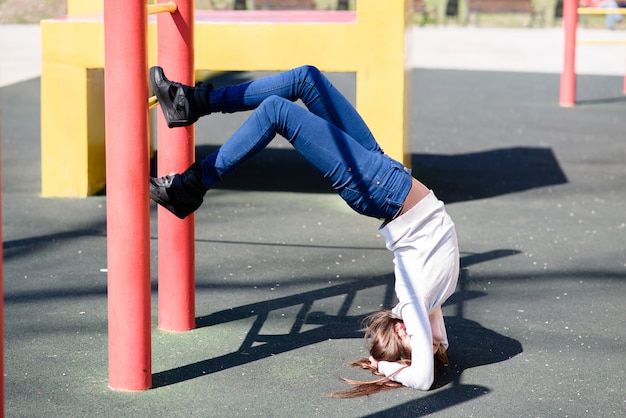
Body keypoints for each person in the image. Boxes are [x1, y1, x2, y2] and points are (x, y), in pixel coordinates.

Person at [149, 65, 460, 396]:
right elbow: (436, 346)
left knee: (277, 112)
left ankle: (191, 186)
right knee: (307, 79)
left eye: (401, 333)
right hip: (387, 174)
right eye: (409, 335)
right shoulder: (431, 307)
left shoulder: (414, 304)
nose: (402, 328)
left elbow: (424, 379)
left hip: (380, 188)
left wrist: (388, 367)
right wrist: (424, 347)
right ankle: (192, 102)